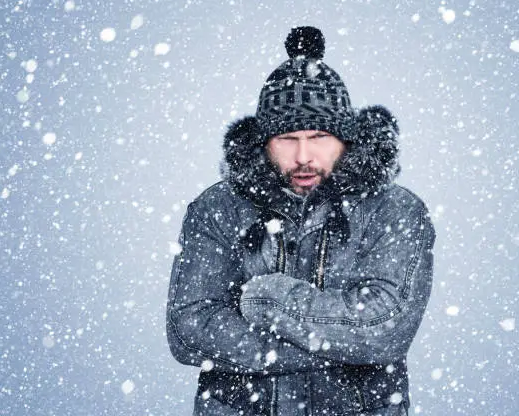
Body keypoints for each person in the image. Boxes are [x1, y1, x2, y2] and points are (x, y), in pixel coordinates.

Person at [166, 26, 435, 416]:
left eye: (320, 136)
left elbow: (384, 330)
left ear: (346, 140)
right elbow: (190, 330)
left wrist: (266, 298)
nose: (304, 156)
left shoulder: (394, 210)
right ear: (264, 143)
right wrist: (334, 345)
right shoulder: (219, 208)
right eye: (287, 138)